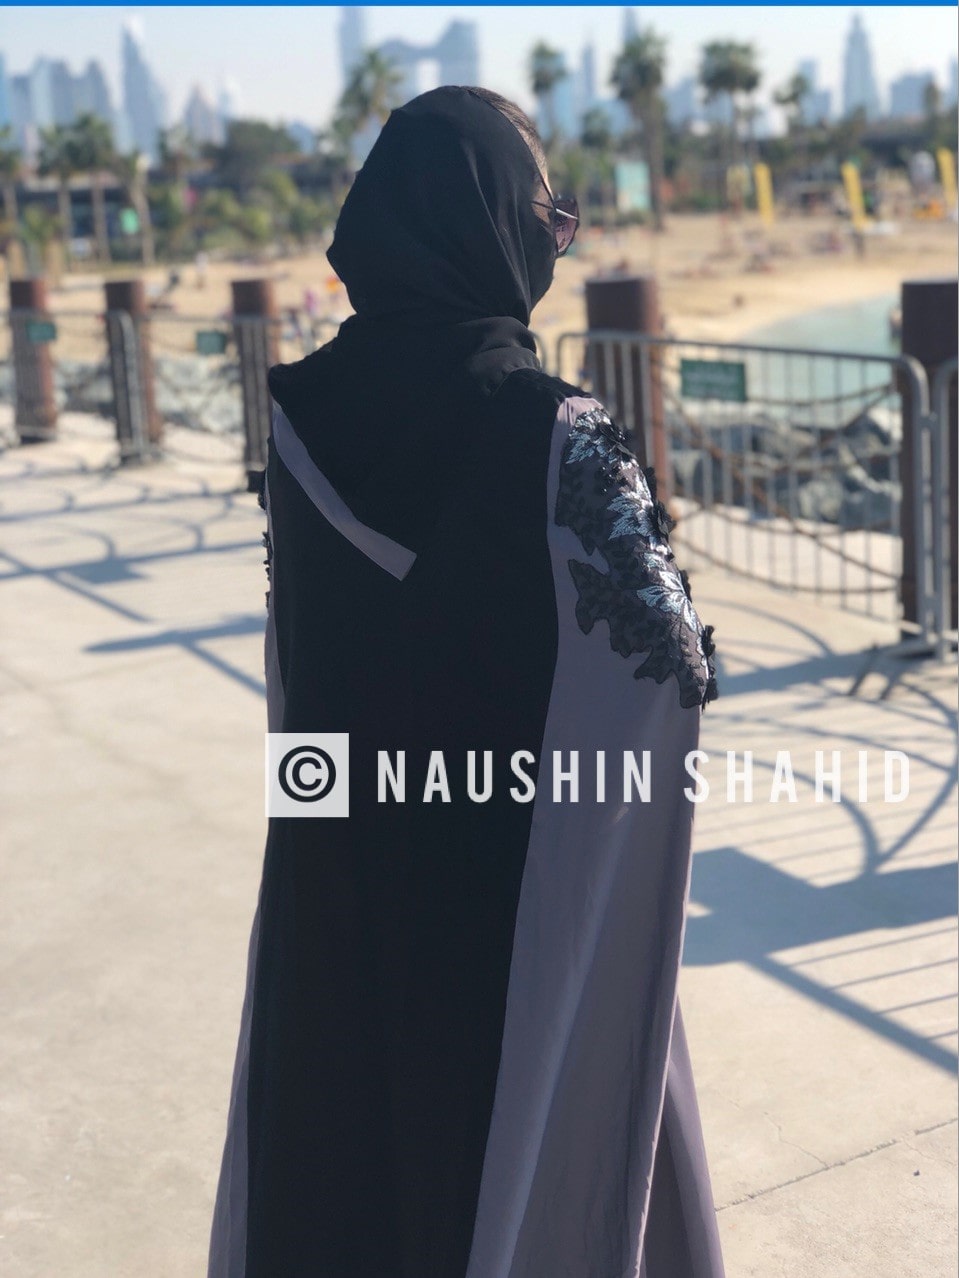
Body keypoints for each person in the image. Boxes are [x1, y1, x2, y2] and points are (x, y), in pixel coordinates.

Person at [207, 85, 723, 1278]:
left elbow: (303, 656)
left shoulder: (297, 416)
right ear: (488, 223)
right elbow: (668, 671)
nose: (557, 239)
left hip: (338, 875)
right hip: (508, 888)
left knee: (346, 1158)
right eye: (551, 214)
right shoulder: (555, 431)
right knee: (528, 1142)